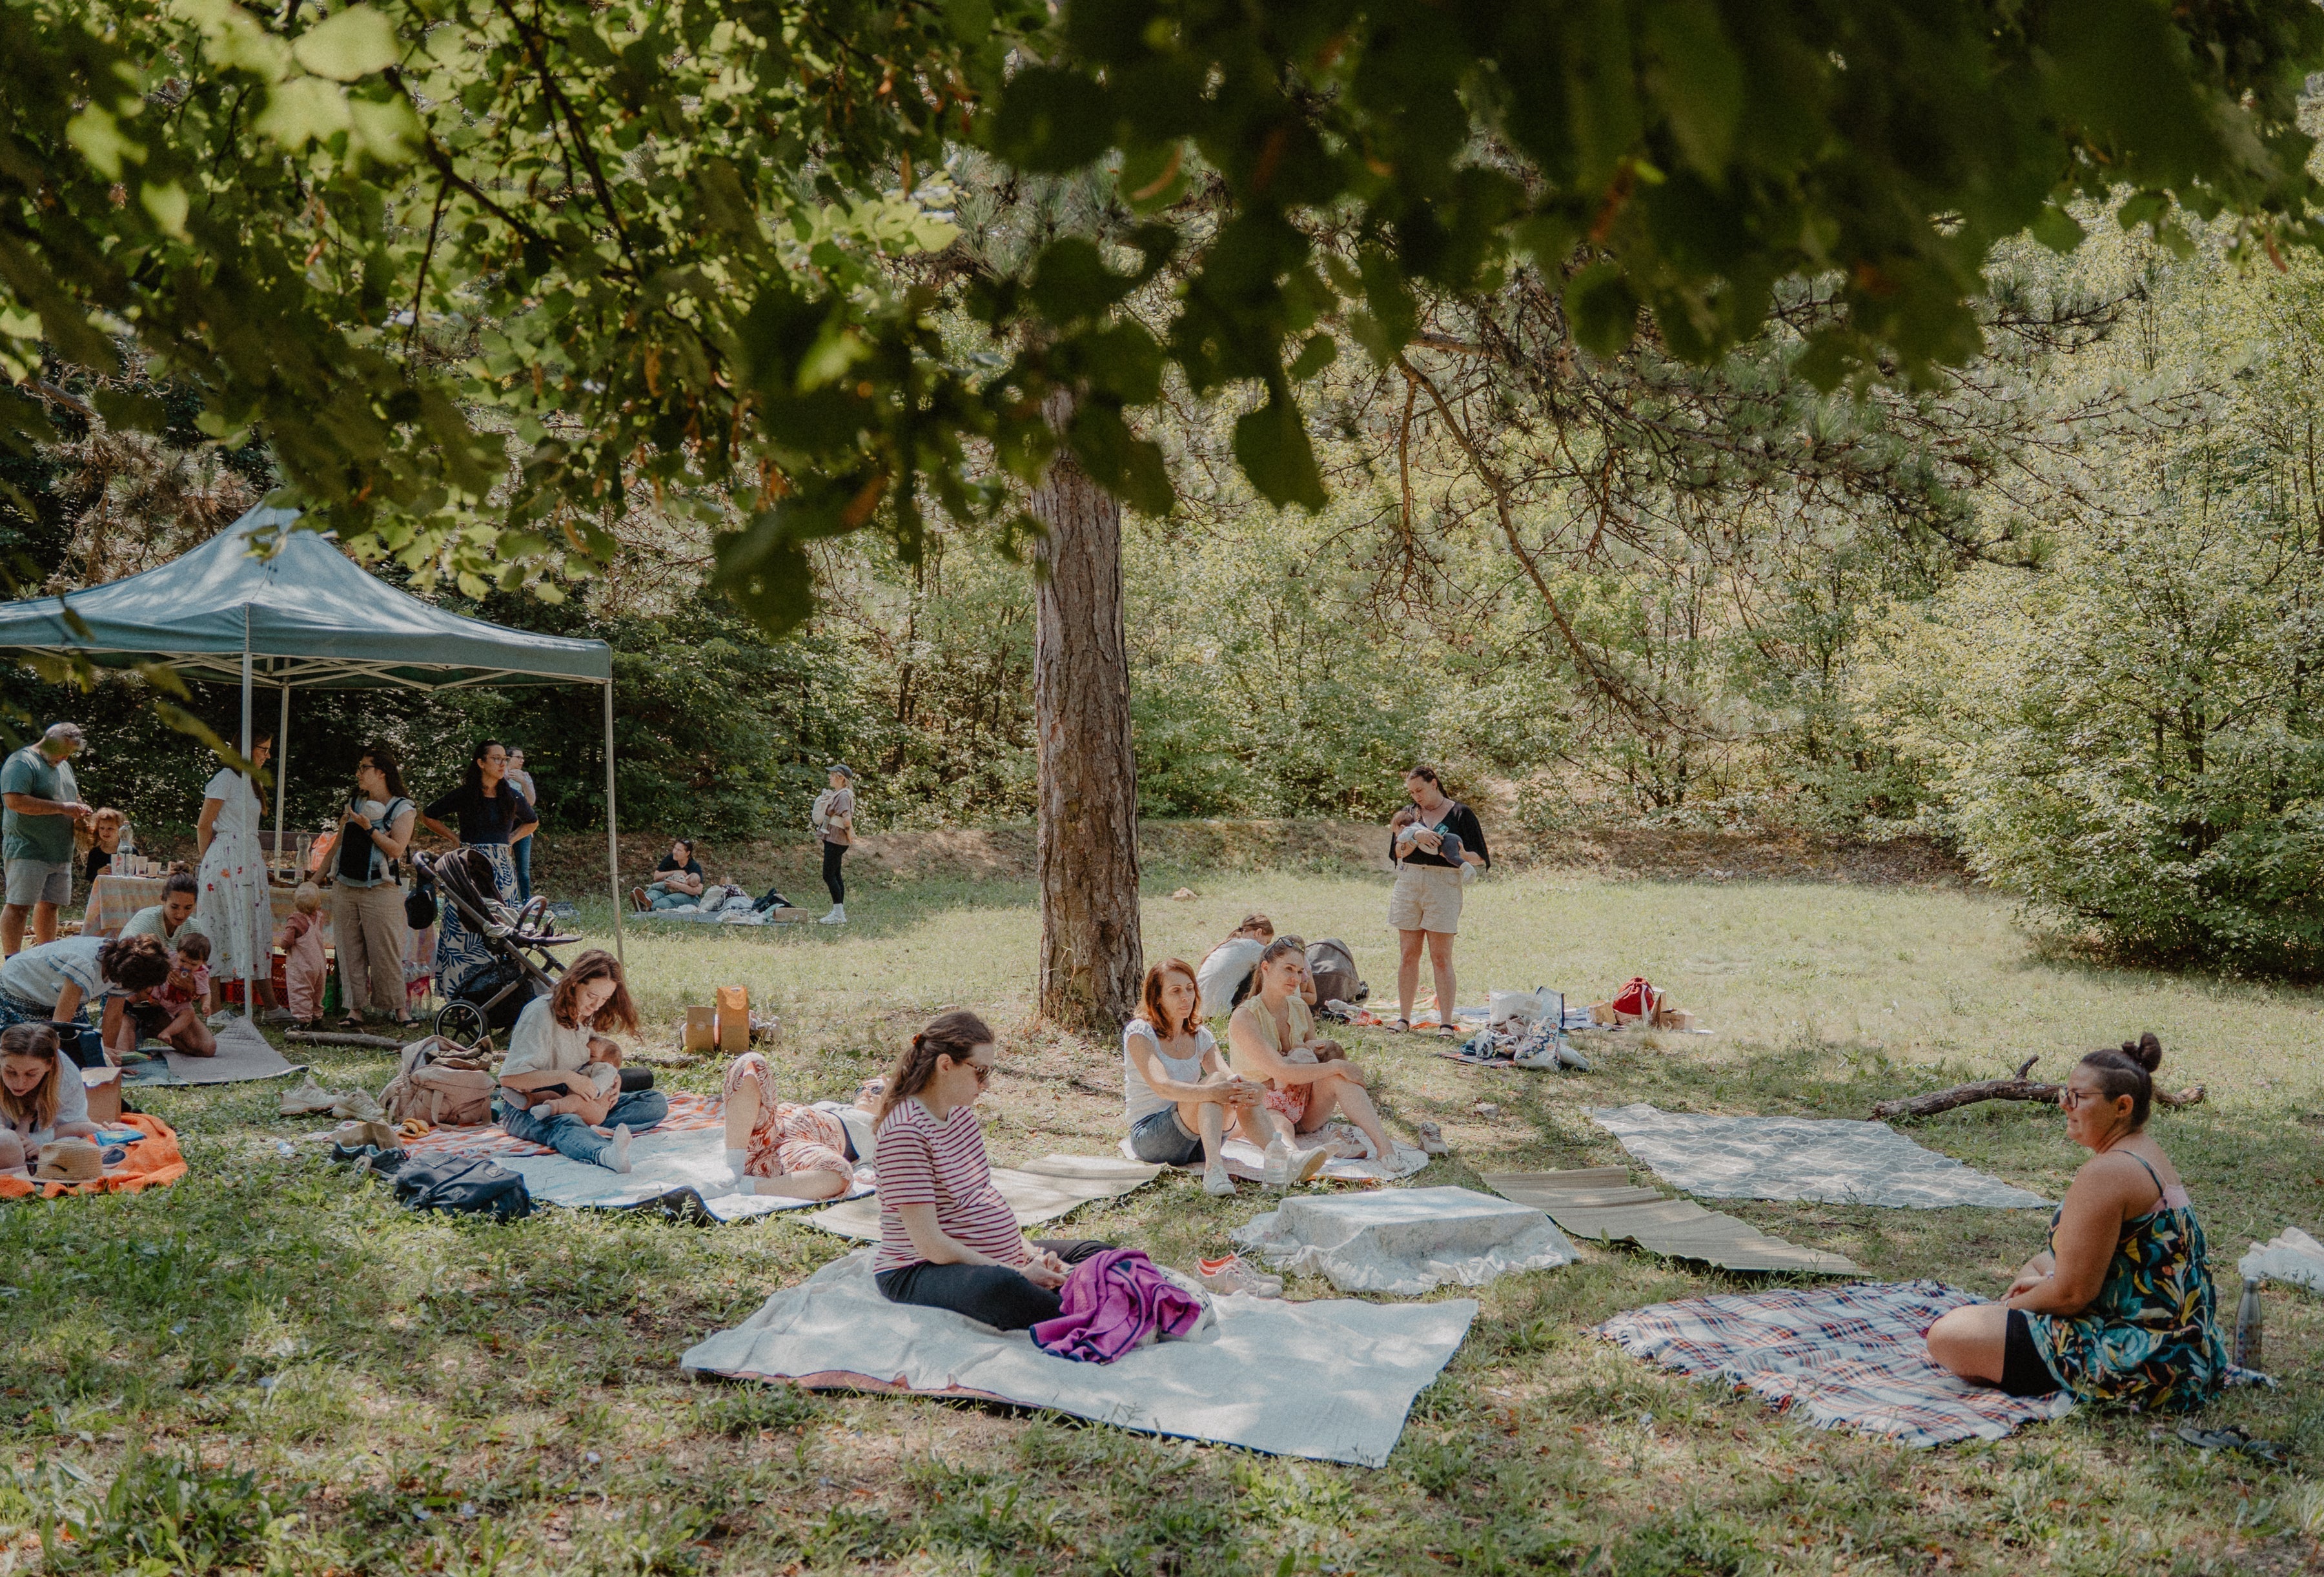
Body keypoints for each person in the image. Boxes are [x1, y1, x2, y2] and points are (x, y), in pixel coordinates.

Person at [1927, 1034, 2230, 1412]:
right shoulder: (2144, 1151)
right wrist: (2043, 1288)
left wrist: (2009, 1308)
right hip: (2188, 1353)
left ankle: (2013, 1347)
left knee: (1948, 1335)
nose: (2064, 1104)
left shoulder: (2109, 1171)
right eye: (2065, 1093)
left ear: (2122, 1106)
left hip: (2144, 1360)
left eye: (2078, 1097)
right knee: (2040, 1264)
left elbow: (2072, 1296)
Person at [872, 1010, 1116, 1330]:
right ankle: (1102, 1313)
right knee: (1003, 1288)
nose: (986, 1084)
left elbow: (984, 1200)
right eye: (980, 1071)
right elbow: (931, 1244)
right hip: (918, 1269)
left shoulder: (960, 1114)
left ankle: (1098, 1300)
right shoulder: (905, 1133)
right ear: (945, 1065)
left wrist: (1032, 1255)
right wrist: (1019, 1273)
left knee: (1097, 1252)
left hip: (998, 1259)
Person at [493, 949, 665, 1172]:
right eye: (592, 996)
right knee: (565, 1122)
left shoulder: (584, 1015)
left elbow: (592, 1060)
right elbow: (509, 1078)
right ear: (574, 983)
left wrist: (611, 1080)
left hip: (574, 1097)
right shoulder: (540, 1014)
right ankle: (602, 1152)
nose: (596, 1006)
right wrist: (568, 1077)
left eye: (604, 999)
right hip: (531, 1104)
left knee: (654, 1102)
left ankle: (585, 1124)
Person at [1228, 936, 1395, 1166]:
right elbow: (1282, 1071)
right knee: (1282, 1126)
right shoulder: (1245, 1017)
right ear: (1266, 968)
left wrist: (1332, 1062)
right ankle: (1295, 1159)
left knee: (1339, 1078)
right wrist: (1337, 1065)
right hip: (1261, 1105)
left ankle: (1386, 1149)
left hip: (1302, 1103)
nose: (1296, 979)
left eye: (1300, 972)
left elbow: (1314, 1062)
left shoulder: (1299, 1007)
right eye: (1288, 969)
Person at [1125, 959, 1267, 1196]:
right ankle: (1214, 1171)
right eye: (1175, 991)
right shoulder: (1140, 1032)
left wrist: (1254, 1091)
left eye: (1190, 989)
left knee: (1232, 1085)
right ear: (1157, 997)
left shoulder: (1200, 1034)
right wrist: (1211, 1092)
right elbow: (1162, 1087)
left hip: (1200, 1141)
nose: (1186, 997)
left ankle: (1280, 1156)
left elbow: (1230, 1079)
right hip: (1152, 1138)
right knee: (1215, 1085)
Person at [423, 740, 536, 1000]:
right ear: (481, 763)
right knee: (464, 923)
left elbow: (532, 821)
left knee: (500, 925)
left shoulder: (511, 795)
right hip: (468, 865)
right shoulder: (466, 794)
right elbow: (428, 815)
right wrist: (455, 838)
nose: (502, 764)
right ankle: (460, 994)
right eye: (496, 759)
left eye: (504, 759)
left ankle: (502, 993)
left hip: (502, 870)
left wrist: (511, 839)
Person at [1387, 765, 1489, 1037]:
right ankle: (1404, 1019)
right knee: (1408, 955)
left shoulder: (1461, 813)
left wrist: (1457, 855)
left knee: (1441, 958)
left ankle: (1446, 1023)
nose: (1416, 796)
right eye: (1411, 792)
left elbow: (1481, 857)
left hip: (1443, 885)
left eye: (1419, 790)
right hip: (1410, 883)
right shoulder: (1409, 814)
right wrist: (1413, 838)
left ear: (1434, 783)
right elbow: (1396, 852)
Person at [332, 744, 419, 1029]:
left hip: (380, 887)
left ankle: (398, 1009)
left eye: (364, 768)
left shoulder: (403, 808)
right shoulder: (354, 801)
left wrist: (369, 828)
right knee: (349, 949)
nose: (358, 773)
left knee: (385, 950)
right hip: (346, 885)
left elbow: (396, 849)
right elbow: (339, 842)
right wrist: (318, 877)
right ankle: (354, 1009)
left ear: (381, 772)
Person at [193, 733, 279, 1012]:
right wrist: (210, 862)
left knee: (254, 925)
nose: (267, 755)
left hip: (248, 858)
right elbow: (204, 825)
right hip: (226, 859)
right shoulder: (225, 779)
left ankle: (269, 1005)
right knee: (219, 926)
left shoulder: (251, 781)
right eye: (263, 749)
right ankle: (215, 1007)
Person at [0, 932, 172, 1064]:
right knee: (34, 1050)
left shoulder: (122, 965)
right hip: (21, 987)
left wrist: (108, 1056)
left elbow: (113, 1016)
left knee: (86, 1046)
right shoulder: (84, 966)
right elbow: (60, 1025)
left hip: (57, 995)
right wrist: (100, 1055)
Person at [1, 722, 90, 956]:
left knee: (50, 906)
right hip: (28, 848)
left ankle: (45, 959)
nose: (65, 758)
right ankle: (12, 962)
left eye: (69, 754)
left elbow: (72, 797)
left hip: (60, 850)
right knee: (19, 907)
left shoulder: (63, 766)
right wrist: (62, 808)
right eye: (63, 751)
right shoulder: (22, 762)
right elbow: (14, 801)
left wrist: (82, 809)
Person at [721, 1052, 861, 1199]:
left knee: (841, 1172)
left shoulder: (874, 1123)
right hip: (765, 1132)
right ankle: (735, 1165)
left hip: (795, 1146)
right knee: (752, 1062)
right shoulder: (838, 1106)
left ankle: (741, 1189)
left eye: (875, 1089)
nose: (867, 1093)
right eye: (861, 1089)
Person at [0, 1023, 97, 1178]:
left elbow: (76, 1129)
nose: (19, 1083)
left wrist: (43, 1147)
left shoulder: (67, 1076)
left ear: (49, 1064)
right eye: (10, 1072)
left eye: (31, 1074)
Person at [121, 931, 218, 1058]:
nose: (186, 966)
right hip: (148, 997)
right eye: (183, 961)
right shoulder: (169, 956)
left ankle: (163, 1031)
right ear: (178, 953)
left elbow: (205, 989)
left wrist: (200, 998)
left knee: (206, 1046)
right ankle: (126, 1013)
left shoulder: (201, 969)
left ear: (203, 963)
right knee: (123, 1055)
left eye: (193, 964)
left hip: (173, 1005)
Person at [1196, 913, 1274, 1018]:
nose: (1265, 946)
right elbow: (1277, 964)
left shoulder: (1229, 944)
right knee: (1265, 970)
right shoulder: (1253, 947)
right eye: (1267, 941)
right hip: (1217, 1013)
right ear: (1258, 933)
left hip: (1197, 1009)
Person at [278, 884, 328, 1030]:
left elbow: (287, 941)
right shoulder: (319, 917)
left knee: (301, 990)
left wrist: (283, 945)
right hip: (319, 963)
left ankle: (303, 1020)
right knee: (317, 991)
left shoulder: (295, 920)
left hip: (303, 964)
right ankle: (317, 1017)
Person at [811, 764, 855, 925]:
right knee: (836, 874)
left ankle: (838, 914)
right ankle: (839, 912)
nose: (829, 777)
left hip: (836, 839)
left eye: (832, 775)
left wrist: (849, 834)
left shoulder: (843, 796)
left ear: (841, 778)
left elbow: (847, 818)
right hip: (835, 839)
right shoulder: (840, 794)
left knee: (828, 875)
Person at [119, 872, 206, 948]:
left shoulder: (194, 929)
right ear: (163, 899)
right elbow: (125, 952)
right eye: (174, 907)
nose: (181, 915)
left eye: (188, 908)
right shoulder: (145, 920)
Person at [630, 839, 706, 911]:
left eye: (679, 850)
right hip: (668, 891)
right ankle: (645, 901)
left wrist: (676, 885)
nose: (675, 852)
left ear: (688, 853)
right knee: (654, 894)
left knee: (663, 902)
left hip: (688, 896)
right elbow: (656, 877)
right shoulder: (670, 859)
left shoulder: (694, 867)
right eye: (675, 848)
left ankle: (649, 907)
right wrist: (675, 872)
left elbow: (698, 890)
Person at [505, 748, 538, 904]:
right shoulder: (499, 775)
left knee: (523, 868)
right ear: (508, 758)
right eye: (518, 757)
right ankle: (505, 899)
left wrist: (523, 782)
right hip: (503, 825)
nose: (522, 760)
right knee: (503, 865)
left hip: (523, 826)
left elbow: (531, 801)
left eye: (523, 758)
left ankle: (526, 901)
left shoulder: (525, 776)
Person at [77, 807, 125, 887]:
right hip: (102, 892)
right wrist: (98, 873)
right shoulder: (95, 853)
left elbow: (137, 874)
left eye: (110, 829)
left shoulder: (128, 851)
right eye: (102, 828)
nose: (105, 832)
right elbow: (89, 876)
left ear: (120, 829)